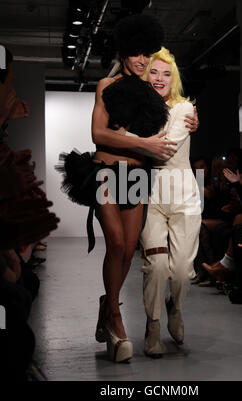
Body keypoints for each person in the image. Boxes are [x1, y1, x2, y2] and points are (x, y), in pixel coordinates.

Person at [57, 15, 198, 363]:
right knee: (117, 243)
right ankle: (115, 315)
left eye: (145, 54)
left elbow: (175, 110)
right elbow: (99, 135)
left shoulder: (151, 92)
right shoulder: (106, 85)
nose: (140, 60)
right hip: (107, 172)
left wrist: (194, 117)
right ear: (122, 53)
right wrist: (148, 146)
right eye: (134, 53)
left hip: (136, 177)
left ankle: (107, 304)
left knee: (128, 247)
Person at [138, 47, 202, 358]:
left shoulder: (185, 109)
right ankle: (152, 326)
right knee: (157, 265)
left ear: (173, 79)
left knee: (180, 272)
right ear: (144, 74)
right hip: (148, 194)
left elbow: (163, 149)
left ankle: (174, 308)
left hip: (184, 195)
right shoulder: (134, 108)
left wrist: (128, 138)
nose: (160, 78)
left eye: (166, 73)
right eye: (153, 71)